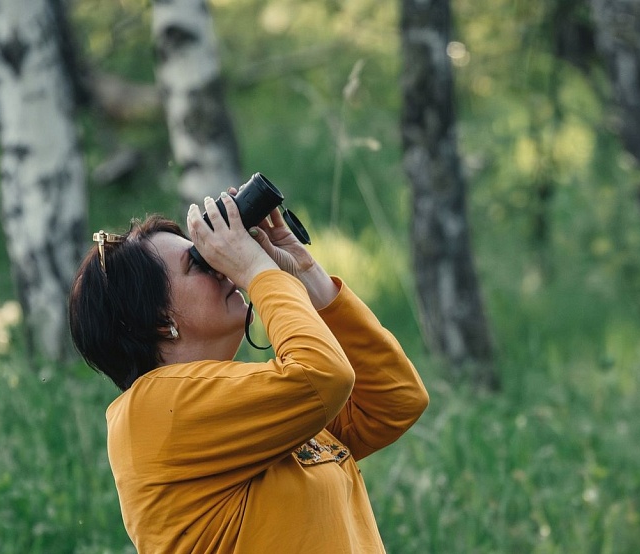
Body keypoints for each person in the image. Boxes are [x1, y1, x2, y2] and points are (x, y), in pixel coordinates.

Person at [68, 190, 429, 553]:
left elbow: (394, 400)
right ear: (161, 322)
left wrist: (302, 271)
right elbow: (322, 377)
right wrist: (256, 269)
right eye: (198, 263)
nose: (221, 268)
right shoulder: (151, 415)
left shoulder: (243, 406)